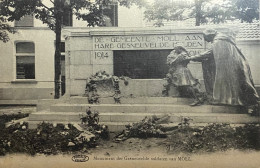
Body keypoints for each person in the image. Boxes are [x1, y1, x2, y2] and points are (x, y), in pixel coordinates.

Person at [188, 29, 259, 108]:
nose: (208, 41)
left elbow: (208, 53)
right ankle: (234, 100)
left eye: (207, 39)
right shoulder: (225, 40)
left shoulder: (218, 41)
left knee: (235, 83)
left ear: (210, 35)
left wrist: (191, 58)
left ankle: (232, 101)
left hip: (231, 66)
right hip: (235, 65)